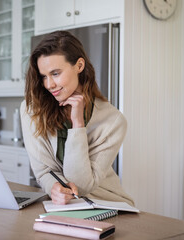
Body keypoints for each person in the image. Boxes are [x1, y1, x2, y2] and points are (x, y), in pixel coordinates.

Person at [20, 31, 134, 206]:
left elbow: (81, 185)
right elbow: (43, 171)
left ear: (79, 66)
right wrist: (54, 188)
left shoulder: (113, 121)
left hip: (107, 204)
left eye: (56, 73)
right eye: (44, 76)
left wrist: (77, 125)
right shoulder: (31, 110)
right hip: (64, 207)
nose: (49, 84)